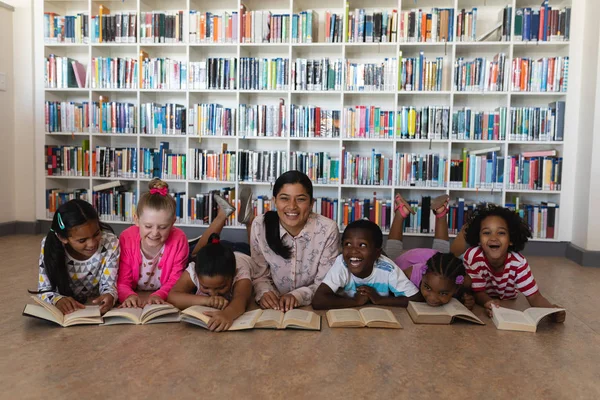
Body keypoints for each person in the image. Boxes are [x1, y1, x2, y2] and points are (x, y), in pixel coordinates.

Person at [451, 204, 566, 322]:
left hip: (507, 296)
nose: (493, 238)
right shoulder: (473, 257)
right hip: (477, 287)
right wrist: (488, 302)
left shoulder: (519, 263)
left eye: (501, 233)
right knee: (458, 273)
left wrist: (551, 310)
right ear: (479, 240)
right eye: (486, 233)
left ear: (511, 240)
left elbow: (534, 296)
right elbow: (478, 291)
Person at [246, 171, 340, 311]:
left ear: (311, 203)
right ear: (274, 202)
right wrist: (265, 293)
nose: (292, 206)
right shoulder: (260, 225)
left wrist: (297, 296)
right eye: (284, 198)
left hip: (310, 305)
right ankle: (245, 220)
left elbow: (325, 283)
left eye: (301, 199)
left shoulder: (328, 229)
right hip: (274, 306)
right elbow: (259, 275)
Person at [387, 193, 475, 309]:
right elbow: (389, 285)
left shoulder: (464, 280)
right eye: (427, 287)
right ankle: (400, 213)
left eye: (443, 293)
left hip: (435, 258)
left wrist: (468, 298)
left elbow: (470, 291)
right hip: (410, 261)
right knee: (391, 260)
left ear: (457, 287)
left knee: (442, 252)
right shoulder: (408, 274)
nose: (432, 298)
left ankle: (440, 212)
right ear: (423, 277)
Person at [33, 199, 119, 315]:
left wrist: (110, 295)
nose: (92, 244)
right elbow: (44, 290)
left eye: (97, 234)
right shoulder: (49, 245)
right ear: (63, 238)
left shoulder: (110, 242)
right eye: (82, 240)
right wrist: (56, 300)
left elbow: (109, 285)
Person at [312, 220, 420, 309]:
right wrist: (355, 301)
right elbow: (318, 300)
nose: (353, 251)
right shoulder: (342, 263)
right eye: (348, 244)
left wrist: (379, 299)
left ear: (377, 253)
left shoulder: (388, 269)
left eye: (362, 245)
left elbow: (416, 298)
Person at [117, 179, 189, 307]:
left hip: (162, 292)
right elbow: (122, 281)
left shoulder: (179, 239)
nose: (155, 233)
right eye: (148, 226)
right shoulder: (126, 238)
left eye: (163, 227)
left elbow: (176, 280)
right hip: (137, 292)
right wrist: (129, 295)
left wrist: (159, 295)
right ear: (136, 220)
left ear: (173, 222)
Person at [168, 234, 254, 332]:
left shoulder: (240, 271)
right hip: (216, 253)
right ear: (196, 274)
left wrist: (228, 314)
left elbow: (241, 299)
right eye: (205, 287)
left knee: (254, 249)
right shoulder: (193, 270)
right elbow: (173, 296)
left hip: (242, 251)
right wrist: (206, 300)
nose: (213, 294)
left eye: (221, 287)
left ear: (233, 275)